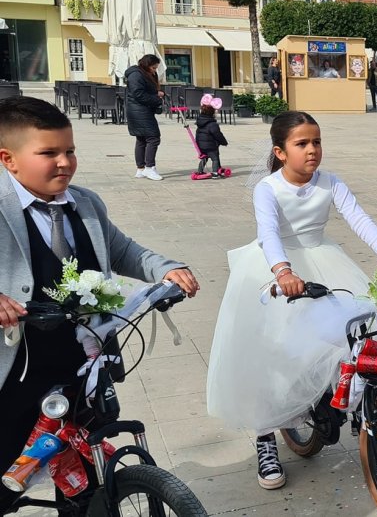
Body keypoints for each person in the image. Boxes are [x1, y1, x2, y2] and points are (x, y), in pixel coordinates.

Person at [0, 96, 199, 514]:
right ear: (8, 159)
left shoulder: (85, 203)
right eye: (48, 153)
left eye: (69, 151)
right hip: (17, 369)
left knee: (82, 471)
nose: (64, 163)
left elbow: (123, 249)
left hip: (83, 362)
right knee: (8, 467)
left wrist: (166, 268)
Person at [206, 111, 377, 490]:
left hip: (323, 259)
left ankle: (346, 403)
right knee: (273, 356)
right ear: (280, 152)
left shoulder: (331, 182)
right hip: (277, 268)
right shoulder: (267, 188)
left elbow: (359, 218)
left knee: (352, 332)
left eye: (316, 142)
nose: (312, 150)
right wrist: (283, 272)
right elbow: (268, 232)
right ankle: (266, 437)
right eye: (302, 144)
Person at [125, 54, 164, 181]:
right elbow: (138, 94)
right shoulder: (136, 74)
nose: (155, 70)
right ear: (146, 65)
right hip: (139, 110)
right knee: (153, 138)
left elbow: (145, 90)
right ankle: (149, 168)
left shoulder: (145, 74)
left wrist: (156, 93)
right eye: (153, 67)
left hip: (140, 109)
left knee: (141, 139)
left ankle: (141, 169)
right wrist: (156, 99)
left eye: (156, 68)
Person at [194, 94, 229, 178]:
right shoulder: (212, 124)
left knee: (204, 157)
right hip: (210, 146)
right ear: (212, 112)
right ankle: (215, 173)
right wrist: (224, 142)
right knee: (215, 158)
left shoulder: (200, 122)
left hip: (200, 145)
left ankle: (200, 171)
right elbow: (218, 135)